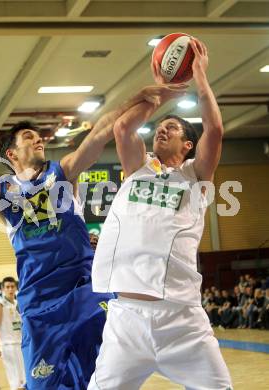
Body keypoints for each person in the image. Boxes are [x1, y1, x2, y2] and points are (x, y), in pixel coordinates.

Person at [0, 82, 186, 389]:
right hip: (40, 305)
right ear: (11, 153)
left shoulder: (64, 172)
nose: (38, 140)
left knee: (104, 379)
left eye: (39, 136)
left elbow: (103, 129)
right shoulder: (1, 192)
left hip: (85, 293)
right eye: (29, 137)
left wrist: (145, 97)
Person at [88, 38, 233, 389]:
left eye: (173, 128)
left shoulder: (195, 177)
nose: (162, 129)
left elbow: (214, 131)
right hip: (126, 318)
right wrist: (162, 93)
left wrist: (199, 77)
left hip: (181, 319)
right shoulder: (138, 169)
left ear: (188, 146)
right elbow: (123, 128)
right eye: (160, 126)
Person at [0, 277, 25, 390]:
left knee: (25, 379)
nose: (10, 289)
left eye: (12, 286)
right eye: (7, 287)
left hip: (21, 345)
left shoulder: (18, 304)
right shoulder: (0, 306)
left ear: (16, 288)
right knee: (15, 381)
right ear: (2, 289)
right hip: (8, 347)